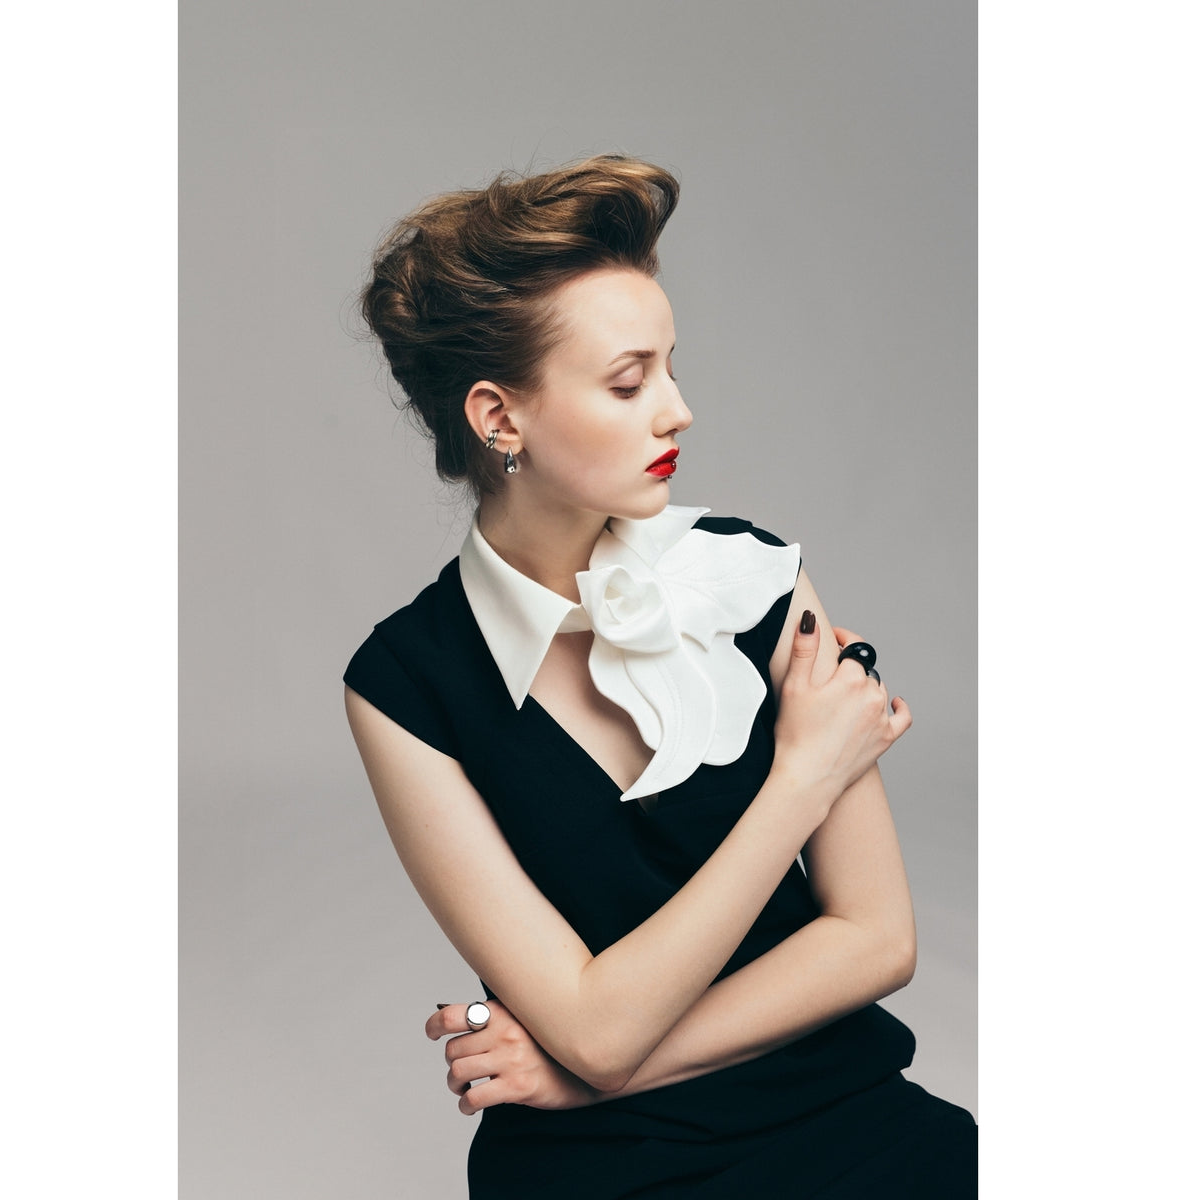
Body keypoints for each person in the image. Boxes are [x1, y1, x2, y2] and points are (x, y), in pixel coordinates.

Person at [343, 155, 977, 1198]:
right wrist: (803, 779)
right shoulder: (404, 685)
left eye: (672, 370)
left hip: (849, 1116)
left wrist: (586, 1075)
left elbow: (876, 940)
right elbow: (593, 1028)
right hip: (596, 1175)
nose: (678, 411)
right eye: (630, 382)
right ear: (499, 418)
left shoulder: (751, 575)